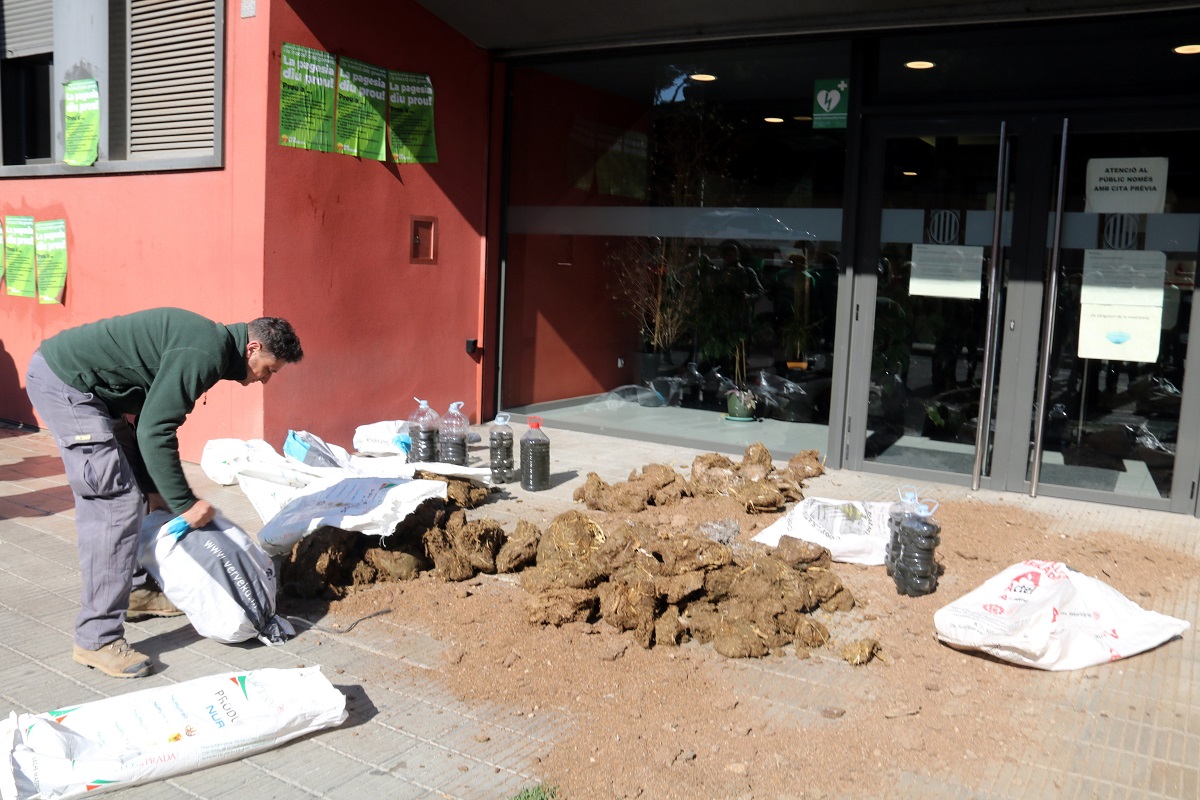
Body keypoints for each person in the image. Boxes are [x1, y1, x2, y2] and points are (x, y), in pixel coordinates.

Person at [24, 308, 303, 678]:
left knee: (139, 492)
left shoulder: (211, 348)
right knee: (115, 504)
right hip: (67, 384)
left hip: (95, 392)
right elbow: (155, 430)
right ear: (252, 349)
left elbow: (147, 418)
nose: (265, 380)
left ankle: (136, 593)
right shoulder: (206, 353)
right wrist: (185, 504)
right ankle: (96, 638)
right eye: (269, 369)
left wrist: (156, 490)